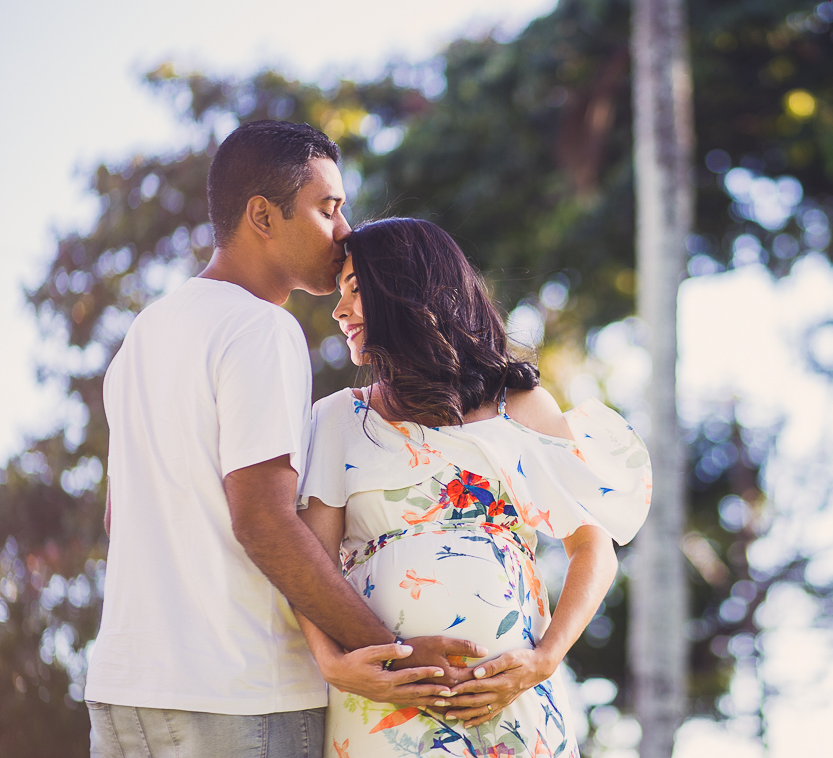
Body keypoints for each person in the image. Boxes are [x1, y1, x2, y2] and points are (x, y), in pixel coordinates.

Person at [85, 121, 483, 758]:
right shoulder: (260, 329)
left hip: (123, 692)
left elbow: (118, 518)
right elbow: (264, 521)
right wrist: (394, 655)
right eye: (327, 209)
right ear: (262, 216)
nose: (345, 229)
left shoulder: (145, 335)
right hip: (239, 695)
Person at [297, 218, 653, 758]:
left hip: (514, 700)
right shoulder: (338, 419)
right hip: (387, 707)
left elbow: (593, 547)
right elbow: (310, 562)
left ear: (406, 288)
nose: (339, 310)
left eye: (355, 289)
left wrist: (546, 659)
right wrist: (332, 663)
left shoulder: (520, 406)